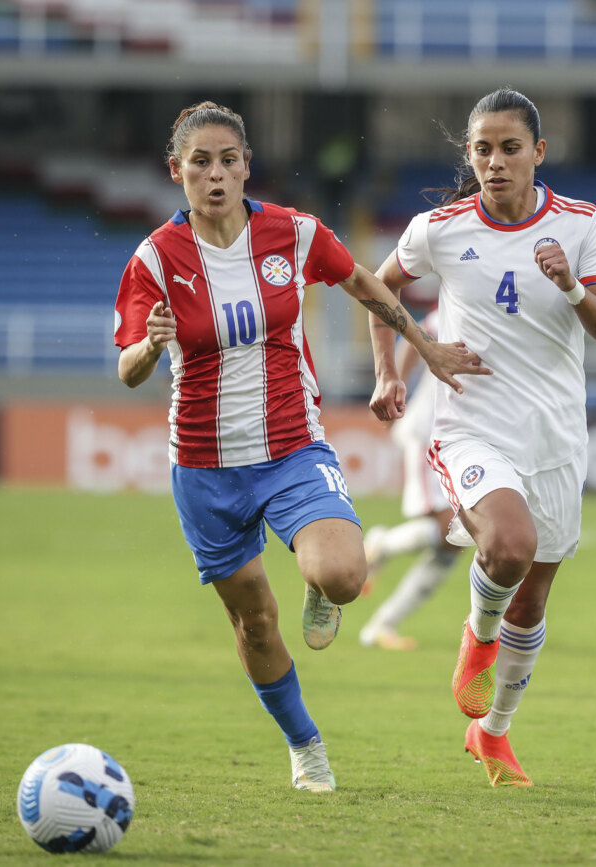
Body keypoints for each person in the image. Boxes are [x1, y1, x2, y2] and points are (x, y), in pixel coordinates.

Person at [113, 102, 489, 793]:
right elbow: (128, 365)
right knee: (255, 622)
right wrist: (150, 343)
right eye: (200, 162)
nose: (216, 174)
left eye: (229, 160)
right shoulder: (154, 261)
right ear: (176, 171)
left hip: (291, 446)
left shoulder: (292, 233)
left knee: (345, 574)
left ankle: (321, 584)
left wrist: (423, 348)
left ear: (247, 165)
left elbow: (363, 282)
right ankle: (305, 744)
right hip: (203, 467)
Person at [368, 88, 596, 787]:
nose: (495, 160)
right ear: (470, 156)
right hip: (473, 425)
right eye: (482, 148)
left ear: (538, 153)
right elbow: (378, 288)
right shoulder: (441, 228)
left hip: (556, 437)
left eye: (510, 147)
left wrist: (572, 287)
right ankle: (475, 640)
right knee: (508, 546)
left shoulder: (579, 224)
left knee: (534, 597)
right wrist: (401, 364)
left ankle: (494, 733)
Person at [358, 306, 464, 651]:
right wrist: (395, 388)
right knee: (450, 531)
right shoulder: (459, 304)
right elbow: (415, 338)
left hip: (466, 442)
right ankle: (381, 544)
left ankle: (381, 626)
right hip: (431, 433)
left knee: (454, 542)